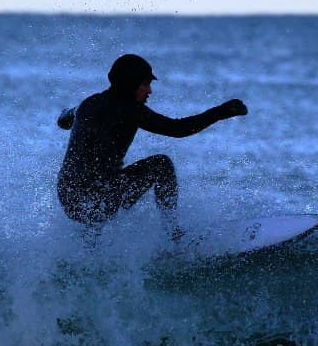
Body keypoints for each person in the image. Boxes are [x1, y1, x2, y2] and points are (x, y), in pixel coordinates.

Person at [56, 54, 247, 239]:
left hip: (70, 199)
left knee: (103, 181)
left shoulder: (87, 103)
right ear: (130, 84)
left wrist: (74, 119)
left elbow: (63, 120)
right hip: (99, 200)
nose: (149, 91)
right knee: (161, 165)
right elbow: (178, 129)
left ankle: (92, 241)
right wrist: (222, 111)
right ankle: (173, 234)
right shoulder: (130, 110)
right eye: (145, 84)